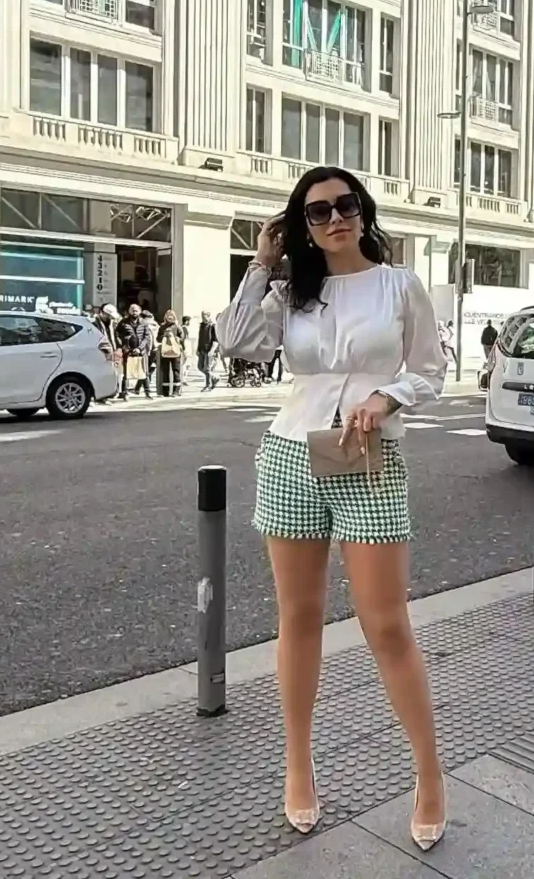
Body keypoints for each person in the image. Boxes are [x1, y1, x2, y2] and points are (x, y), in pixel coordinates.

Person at [217, 165, 447, 851]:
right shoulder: (291, 293)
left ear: (364, 211)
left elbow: (430, 369)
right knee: (297, 617)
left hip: (370, 460)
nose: (334, 218)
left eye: (345, 205)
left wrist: (386, 397)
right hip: (292, 453)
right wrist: (261, 266)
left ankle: (430, 776)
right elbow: (236, 347)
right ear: (301, 228)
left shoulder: (400, 284)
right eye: (316, 213)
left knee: (386, 623)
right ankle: (298, 765)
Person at [158, 310, 185, 396]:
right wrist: (164, 336)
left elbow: (182, 338)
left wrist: (175, 338)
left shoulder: (177, 327)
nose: (170, 317)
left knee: (176, 370)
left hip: (175, 351)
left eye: (171, 316)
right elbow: (158, 338)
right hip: (165, 351)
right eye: (168, 316)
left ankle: (176, 390)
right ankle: (165, 391)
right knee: (165, 371)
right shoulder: (162, 327)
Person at [196, 310, 218, 391]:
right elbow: (200, 338)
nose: (203, 316)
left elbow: (215, 340)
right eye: (202, 315)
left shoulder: (212, 326)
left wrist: (212, 350)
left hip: (209, 349)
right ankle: (214, 377)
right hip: (202, 348)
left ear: (208, 315)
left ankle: (208, 385)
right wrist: (198, 349)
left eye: (204, 315)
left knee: (207, 369)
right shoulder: (201, 325)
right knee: (200, 367)